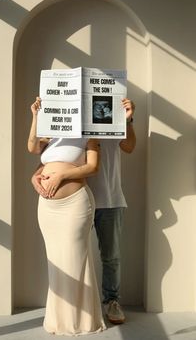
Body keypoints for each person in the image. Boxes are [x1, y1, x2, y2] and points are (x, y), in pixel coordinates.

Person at [28, 97, 106, 336]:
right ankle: (58, 320)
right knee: (56, 262)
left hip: (75, 205)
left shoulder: (89, 132)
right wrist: (35, 116)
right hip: (48, 208)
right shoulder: (50, 133)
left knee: (75, 260)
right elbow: (32, 148)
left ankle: (82, 320)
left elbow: (92, 167)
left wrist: (62, 177)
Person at [87, 98, 136, 325]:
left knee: (111, 258)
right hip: (77, 198)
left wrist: (128, 119)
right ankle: (81, 303)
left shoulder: (111, 120)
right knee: (75, 255)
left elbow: (129, 147)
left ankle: (112, 301)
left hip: (110, 199)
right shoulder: (72, 119)